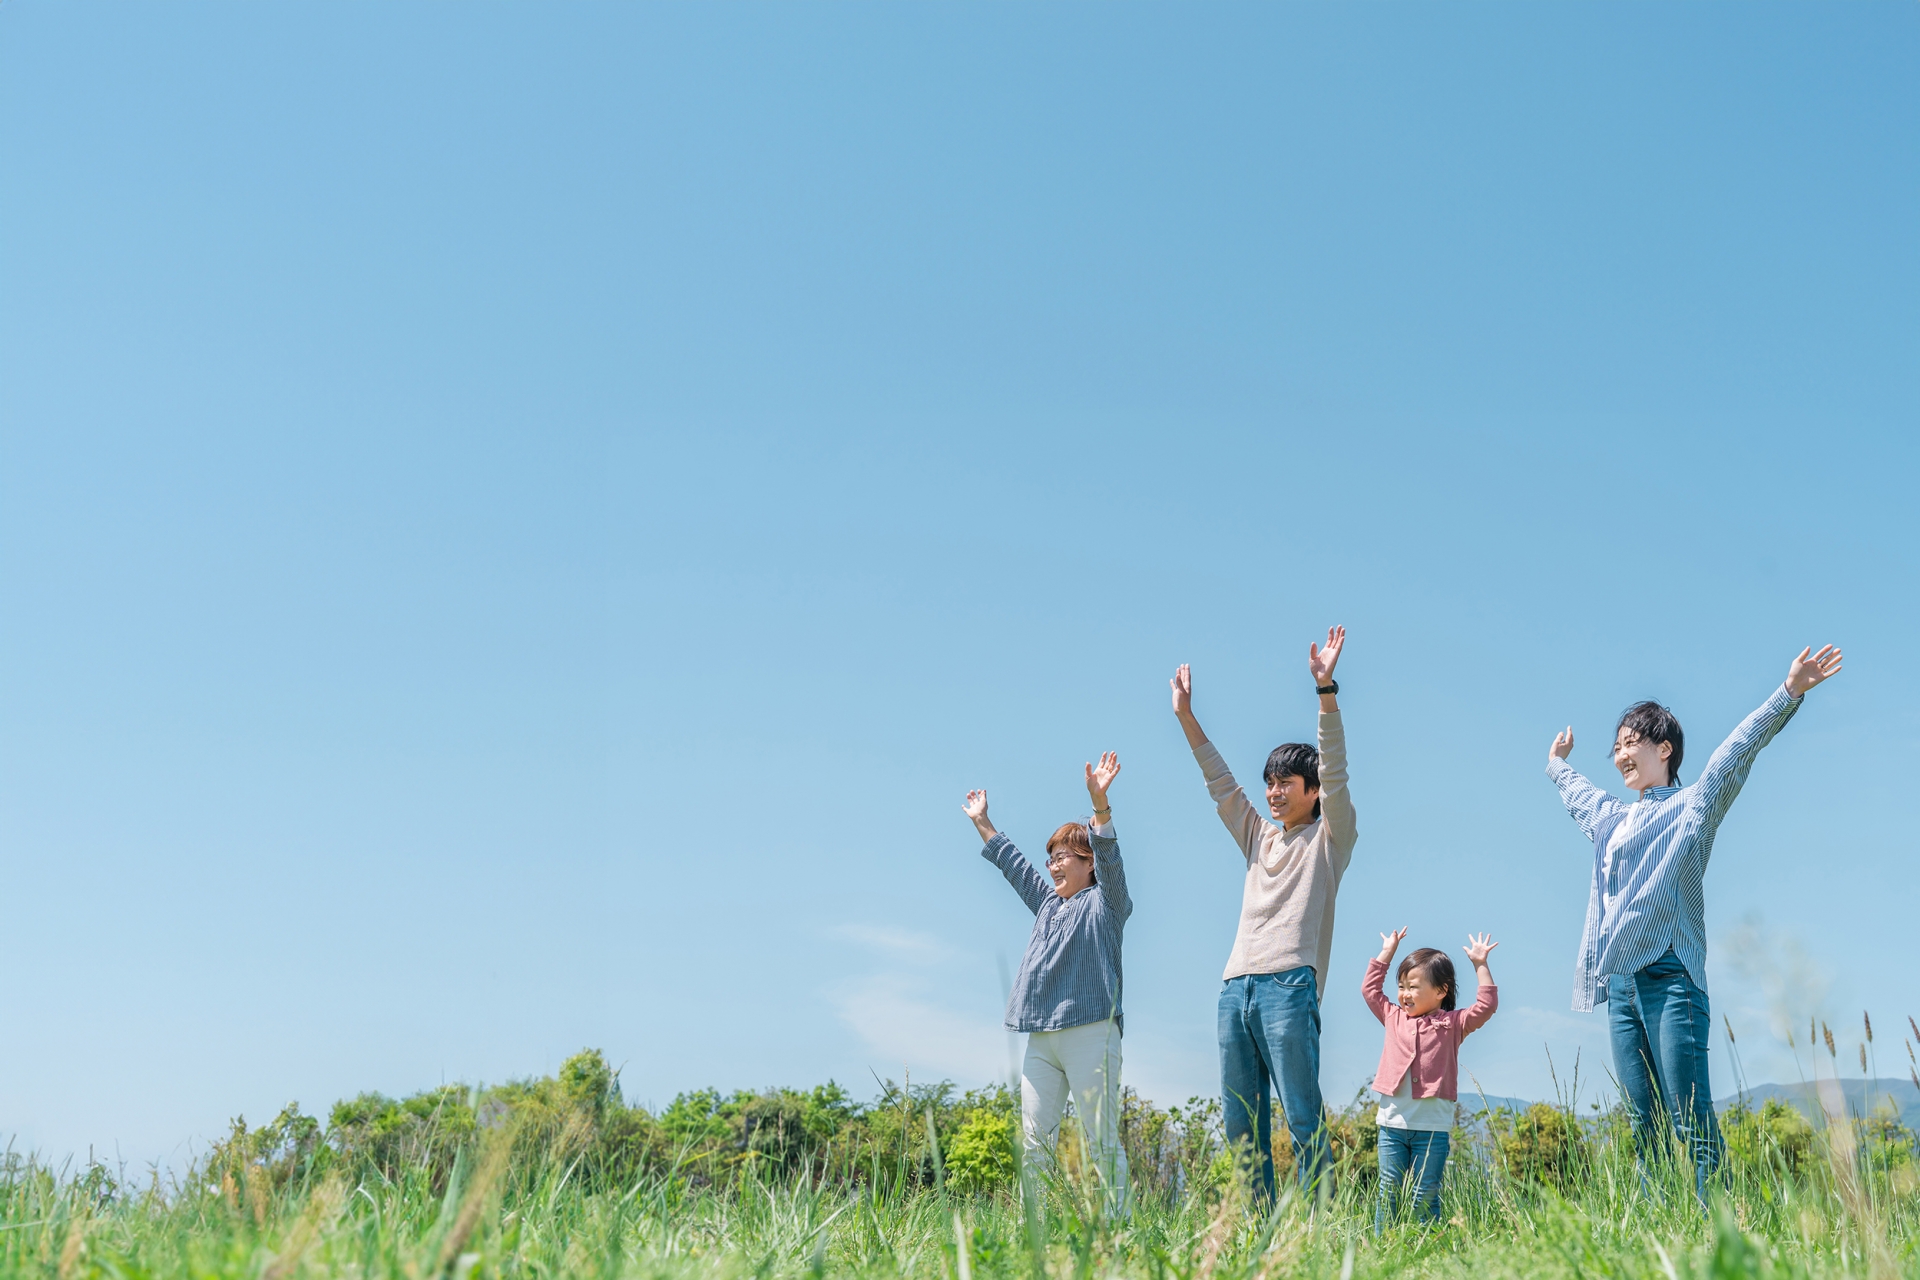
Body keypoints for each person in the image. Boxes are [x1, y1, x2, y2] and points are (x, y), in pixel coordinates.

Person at [1546, 644, 1843, 1201]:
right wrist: (1556, 763)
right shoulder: (1612, 819)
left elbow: (1735, 754)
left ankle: (1719, 1235)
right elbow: (1578, 795)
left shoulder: (1693, 808)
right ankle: (1656, 1235)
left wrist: (1788, 694)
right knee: (1645, 1129)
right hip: (1622, 987)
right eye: (1615, 748)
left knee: (1691, 1124)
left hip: (1670, 981)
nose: (1619, 755)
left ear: (1665, 749)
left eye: (1630, 742)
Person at [1169, 626, 1353, 1201]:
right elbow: (1220, 783)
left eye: (1285, 783)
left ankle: (1323, 1227)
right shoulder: (1258, 838)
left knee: (1301, 1116)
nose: (1273, 793)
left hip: (1289, 987)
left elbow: (1339, 773)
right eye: (1269, 783)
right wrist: (1185, 717)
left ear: (1312, 791)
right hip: (1235, 989)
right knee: (1239, 1127)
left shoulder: (1330, 839)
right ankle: (1257, 1229)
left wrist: (1326, 691)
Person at [963, 751, 1131, 1213]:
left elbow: (1112, 862)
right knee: (1035, 1144)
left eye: (1063, 858)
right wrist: (984, 821)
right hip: (1042, 1036)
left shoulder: (1105, 902)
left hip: (1091, 1031)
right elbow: (1015, 867)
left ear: (1088, 862)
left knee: (1101, 1141)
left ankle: (1120, 1233)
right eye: (1051, 858)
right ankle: (1030, 1240)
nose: (1053, 866)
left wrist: (1100, 809)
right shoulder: (1048, 905)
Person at [1363, 929, 1498, 1231]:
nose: (1404, 994)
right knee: (1389, 1193)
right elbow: (1370, 990)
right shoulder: (1392, 1016)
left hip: (1432, 1129)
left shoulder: (1452, 1024)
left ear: (1441, 991)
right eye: (1401, 986)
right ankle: (1382, 1246)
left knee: (1426, 1195)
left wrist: (1480, 964)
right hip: (1392, 1125)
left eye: (1413, 986)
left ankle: (1428, 1246)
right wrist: (1387, 952)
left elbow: (1486, 1006)